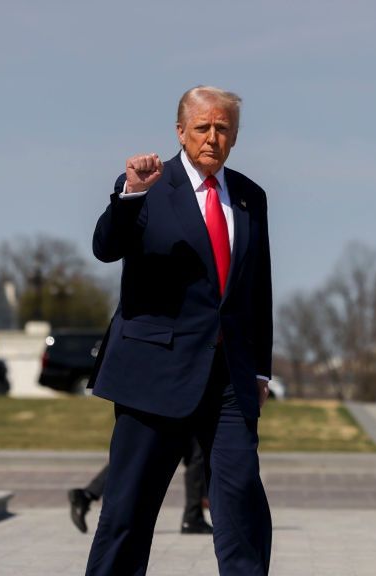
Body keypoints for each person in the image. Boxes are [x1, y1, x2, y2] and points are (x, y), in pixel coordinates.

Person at [85, 85, 273, 576]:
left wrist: (262, 371)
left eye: (223, 128)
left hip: (229, 378)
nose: (212, 137)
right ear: (180, 131)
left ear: (235, 136)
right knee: (128, 511)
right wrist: (130, 194)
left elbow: (257, 289)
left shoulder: (251, 197)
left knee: (242, 500)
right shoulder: (149, 184)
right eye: (203, 127)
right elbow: (106, 247)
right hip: (154, 373)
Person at [69, 437, 213, 535]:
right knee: (143, 452)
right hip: (172, 402)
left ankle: (87, 494)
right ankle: (193, 517)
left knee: (193, 450)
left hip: (168, 401)